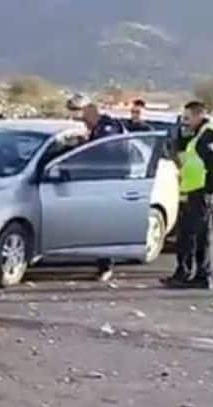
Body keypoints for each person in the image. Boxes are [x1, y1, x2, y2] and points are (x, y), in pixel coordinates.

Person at [165, 100, 213, 290]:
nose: (185, 121)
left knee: (196, 238)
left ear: (199, 116)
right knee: (187, 237)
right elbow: (185, 156)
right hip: (190, 192)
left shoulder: (209, 137)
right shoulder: (196, 135)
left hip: (199, 194)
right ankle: (186, 272)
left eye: (188, 118)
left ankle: (198, 275)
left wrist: (209, 192)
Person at [77, 102, 126, 282]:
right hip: (99, 183)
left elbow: (104, 151)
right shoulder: (98, 128)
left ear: (92, 115)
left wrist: (86, 146)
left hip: (110, 183)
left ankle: (106, 265)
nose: (84, 122)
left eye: (85, 118)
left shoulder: (108, 128)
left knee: (105, 225)